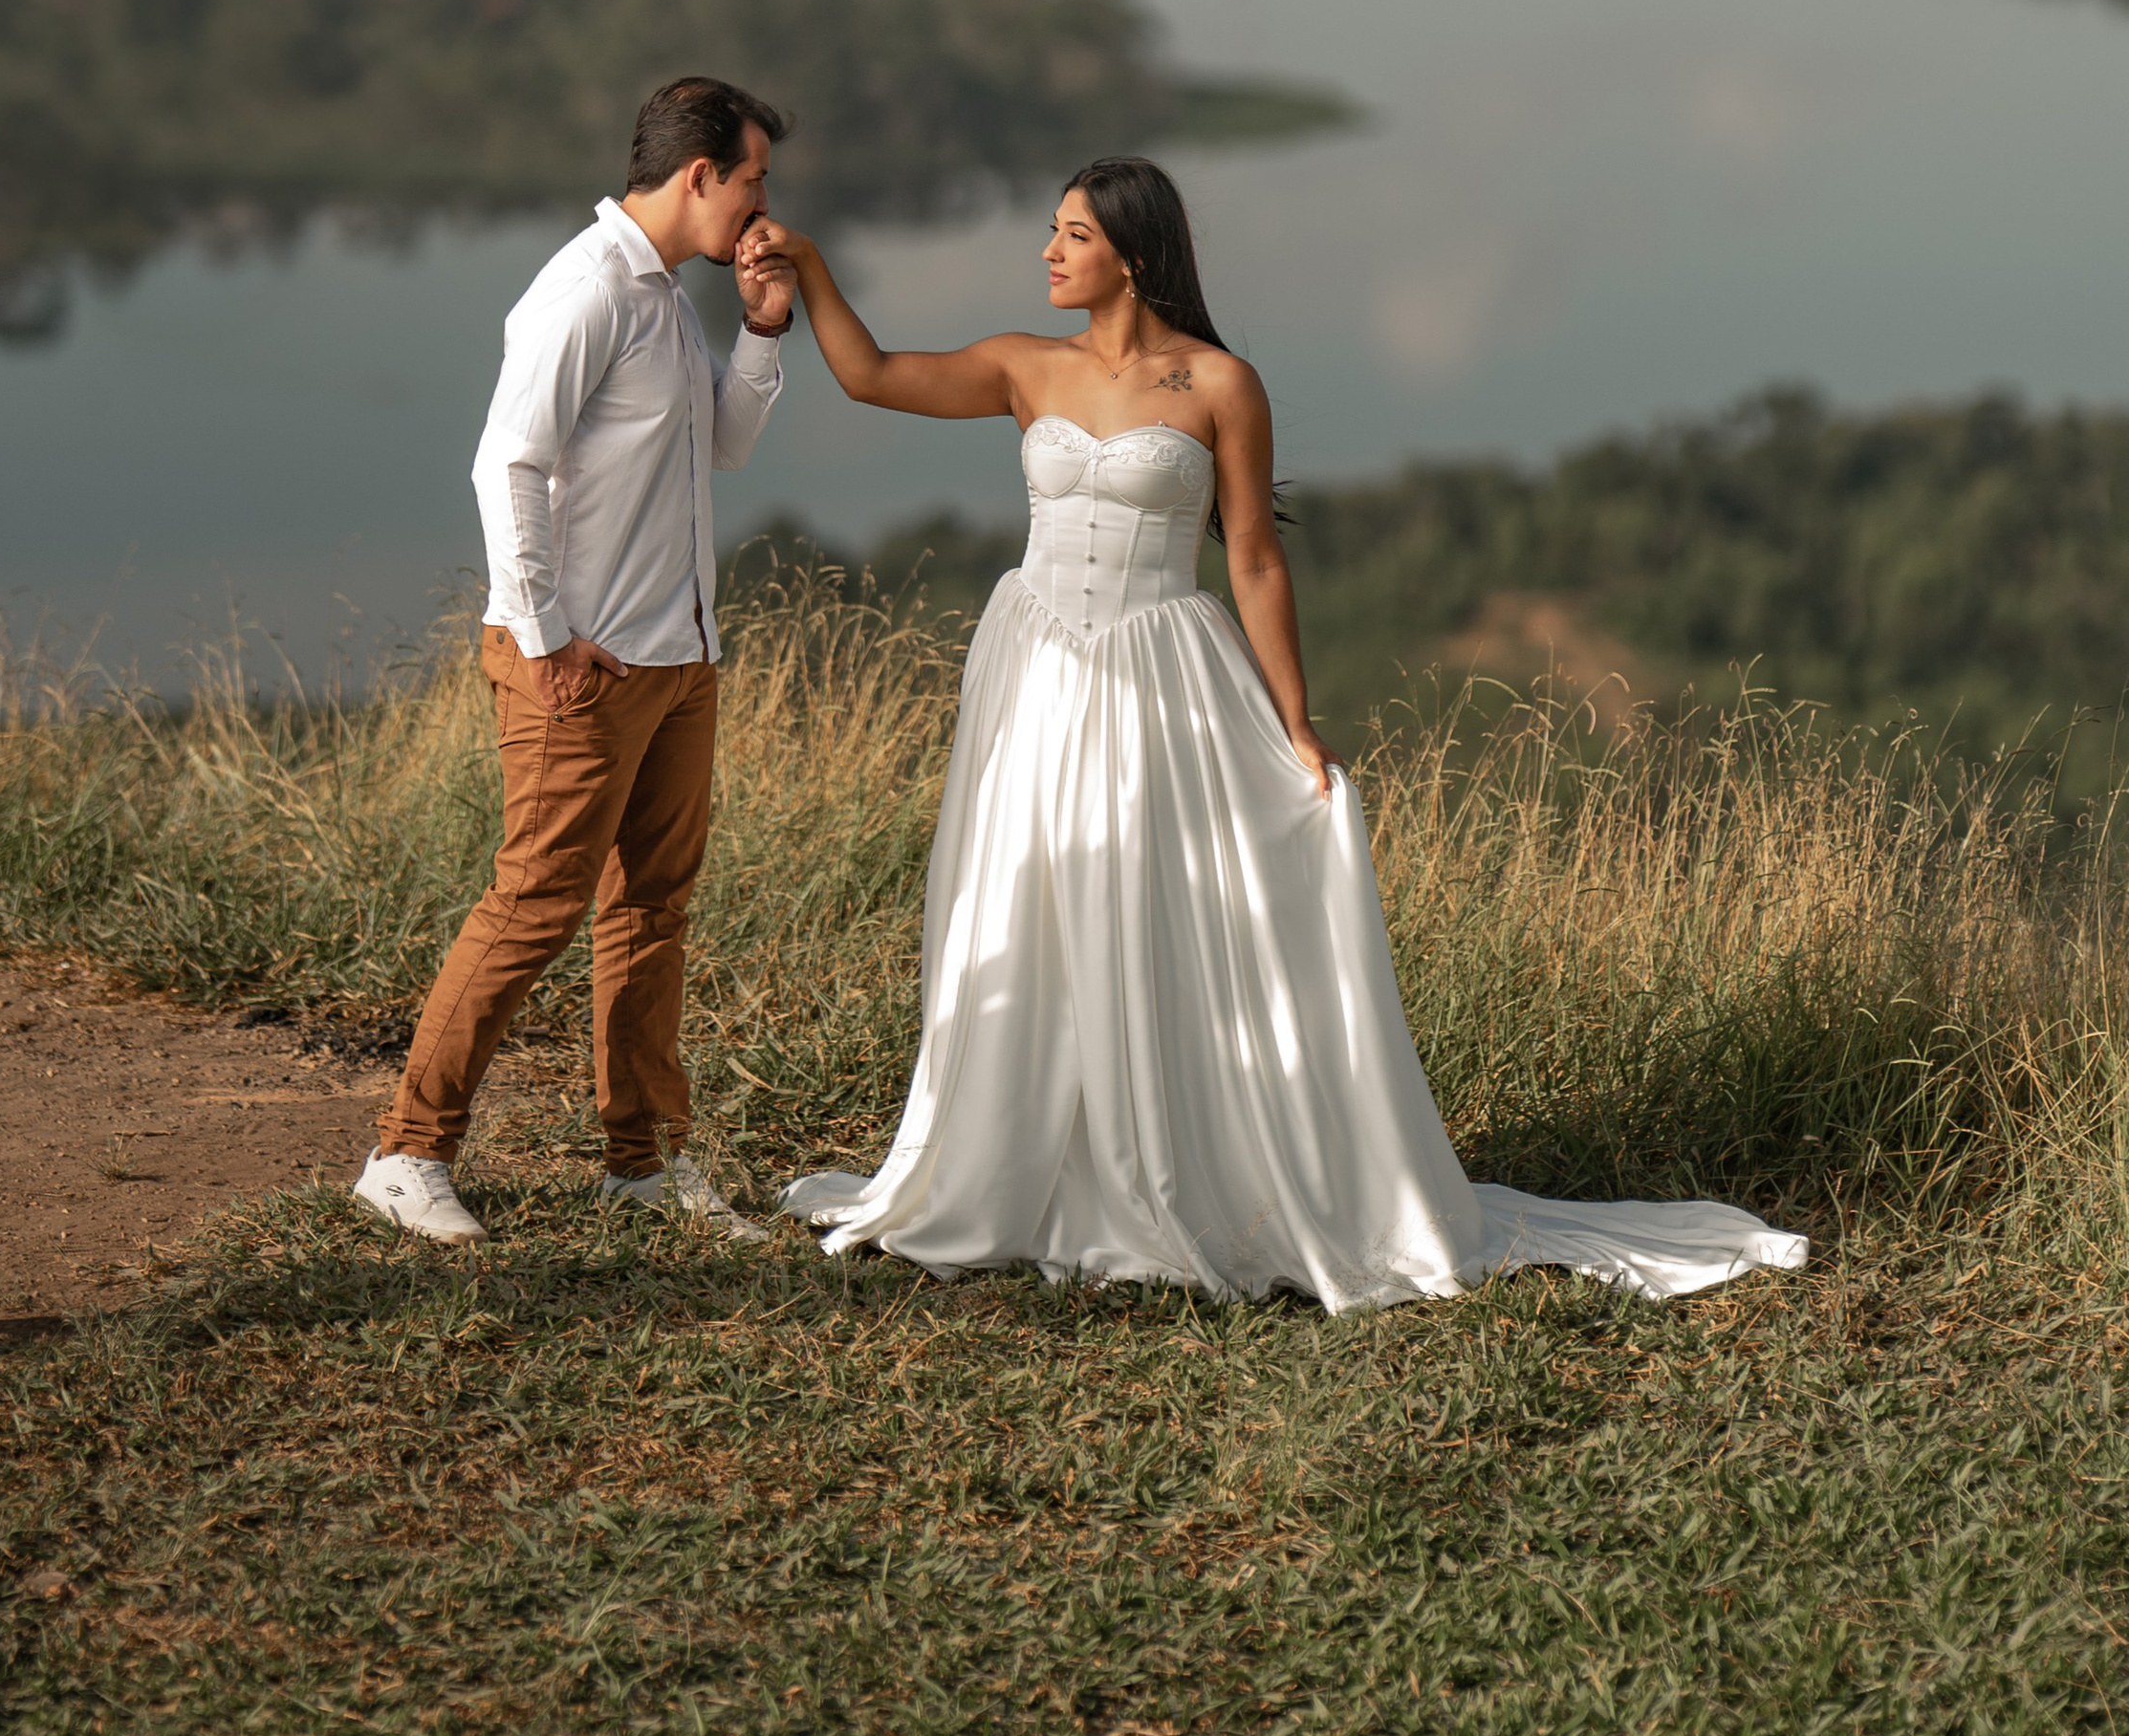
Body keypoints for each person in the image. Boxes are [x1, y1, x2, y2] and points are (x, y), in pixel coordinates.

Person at [749, 158, 1807, 1310]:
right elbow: (869, 377)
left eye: (1072, 235)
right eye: (1051, 233)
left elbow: (1251, 554)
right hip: (1036, 664)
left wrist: (1295, 721)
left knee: (1157, 896)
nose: (1049, 253)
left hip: (1162, 663)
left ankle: (1175, 1161)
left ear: (1134, 254)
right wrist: (806, 266)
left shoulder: (1219, 383)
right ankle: (1021, 1161)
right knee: (1024, 889)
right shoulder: (1022, 365)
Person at [356, 75, 797, 1247]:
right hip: (582, 667)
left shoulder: (669, 297)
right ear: (701, 173)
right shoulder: (587, 287)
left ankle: (640, 1167)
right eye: (753, 177)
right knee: (533, 905)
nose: (763, 204)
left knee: (650, 909)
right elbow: (506, 464)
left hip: (675, 657)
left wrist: (760, 326)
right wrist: (544, 639)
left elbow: (726, 448)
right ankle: (405, 1152)